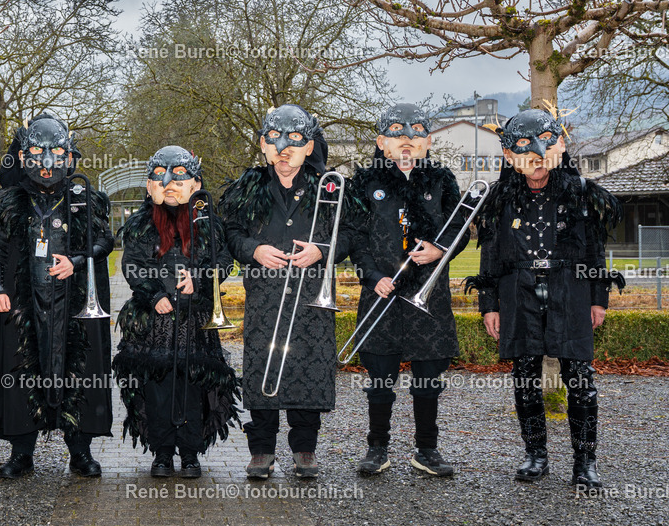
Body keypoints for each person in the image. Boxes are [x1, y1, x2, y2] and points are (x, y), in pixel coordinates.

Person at [466, 108, 623, 489]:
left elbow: (595, 251)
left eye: (545, 146)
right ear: (509, 156)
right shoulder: (499, 198)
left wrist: (598, 299)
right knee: (524, 377)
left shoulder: (581, 192)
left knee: (580, 379)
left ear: (561, 145)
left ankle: (585, 462)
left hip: (570, 288)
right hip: (517, 290)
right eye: (524, 149)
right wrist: (489, 304)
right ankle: (535, 455)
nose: (536, 157)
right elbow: (490, 255)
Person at [220, 104, 353, 479]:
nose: (284, 149)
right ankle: (261, 451)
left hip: (312, 297)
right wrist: (254, 250)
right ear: (263, 144)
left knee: (308, 368)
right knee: (261, 367)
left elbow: (352, 234)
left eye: (294, 140)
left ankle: (304, 450)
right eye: (275, 140)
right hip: (265, 296)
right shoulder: (247, 188)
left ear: (309, 147)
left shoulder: (330, 187)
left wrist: (322, 251)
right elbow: (231, 233)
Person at [0, 113, 114, 478]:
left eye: (56, 152)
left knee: (80, 371)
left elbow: (105, 240)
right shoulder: (8, 200)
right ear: (23, 156)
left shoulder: (85, 197)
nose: (46, 162)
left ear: (69, 156)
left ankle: (80, 452)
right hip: (22, 302)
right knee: (20, 371)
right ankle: (21, 453)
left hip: (75, 302)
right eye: (37, 153)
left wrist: (77, 261)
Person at [347, 103, 469, 478]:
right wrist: (372, 276)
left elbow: (460, 225)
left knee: (428, 380)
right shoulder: (364, 182)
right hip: (381, 292)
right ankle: (377, 448)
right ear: (381, 142)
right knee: (380, 380)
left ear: (428, 142)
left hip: (428, 295)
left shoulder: (442, 179)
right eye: (397, 133)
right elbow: (354, 237)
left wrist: (440, 248)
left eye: (416, 133)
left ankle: (427, 450)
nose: (407, 140)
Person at [113, 146, 240, 478]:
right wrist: (154, 294)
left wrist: (199, 279)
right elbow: (133, 265)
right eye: (160, 178)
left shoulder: (207, 221)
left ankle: (190, 453)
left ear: (196, 183)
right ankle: (163, 453)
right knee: (158, 389)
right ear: (150, 184)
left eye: (179, 178)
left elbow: (224, 262)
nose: (169, 185)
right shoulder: (141, 222)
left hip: (194, 321)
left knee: (193, 387)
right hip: (154, 323)